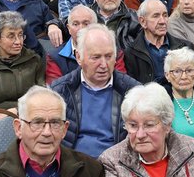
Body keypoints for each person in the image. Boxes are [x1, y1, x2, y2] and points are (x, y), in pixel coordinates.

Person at [49, 24, 141, 157]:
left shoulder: (132, 92)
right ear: (78, 57)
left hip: (117, 164)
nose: (103, 65)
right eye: (96, 57)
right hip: (73, 165)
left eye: (109, 56)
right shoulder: (60, 91)